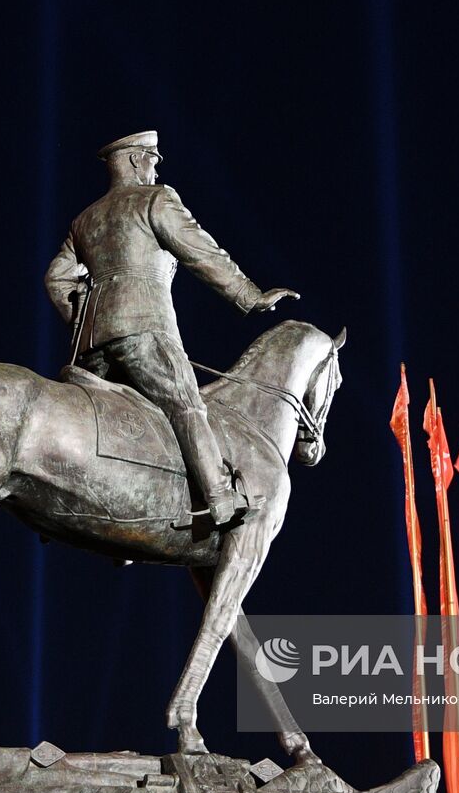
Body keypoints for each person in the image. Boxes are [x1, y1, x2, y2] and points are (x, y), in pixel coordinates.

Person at [44, 130, 298, 523]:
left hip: (91, 343)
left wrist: (82, 317)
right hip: (143, 325)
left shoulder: (85, 219)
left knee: (128, 421)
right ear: (133, 160)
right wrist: (250, 296)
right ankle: (220, 498)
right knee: (186, 404)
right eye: (152, 158)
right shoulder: (156, 200)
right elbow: (201, 252)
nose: (155, 167)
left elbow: (56, 280)